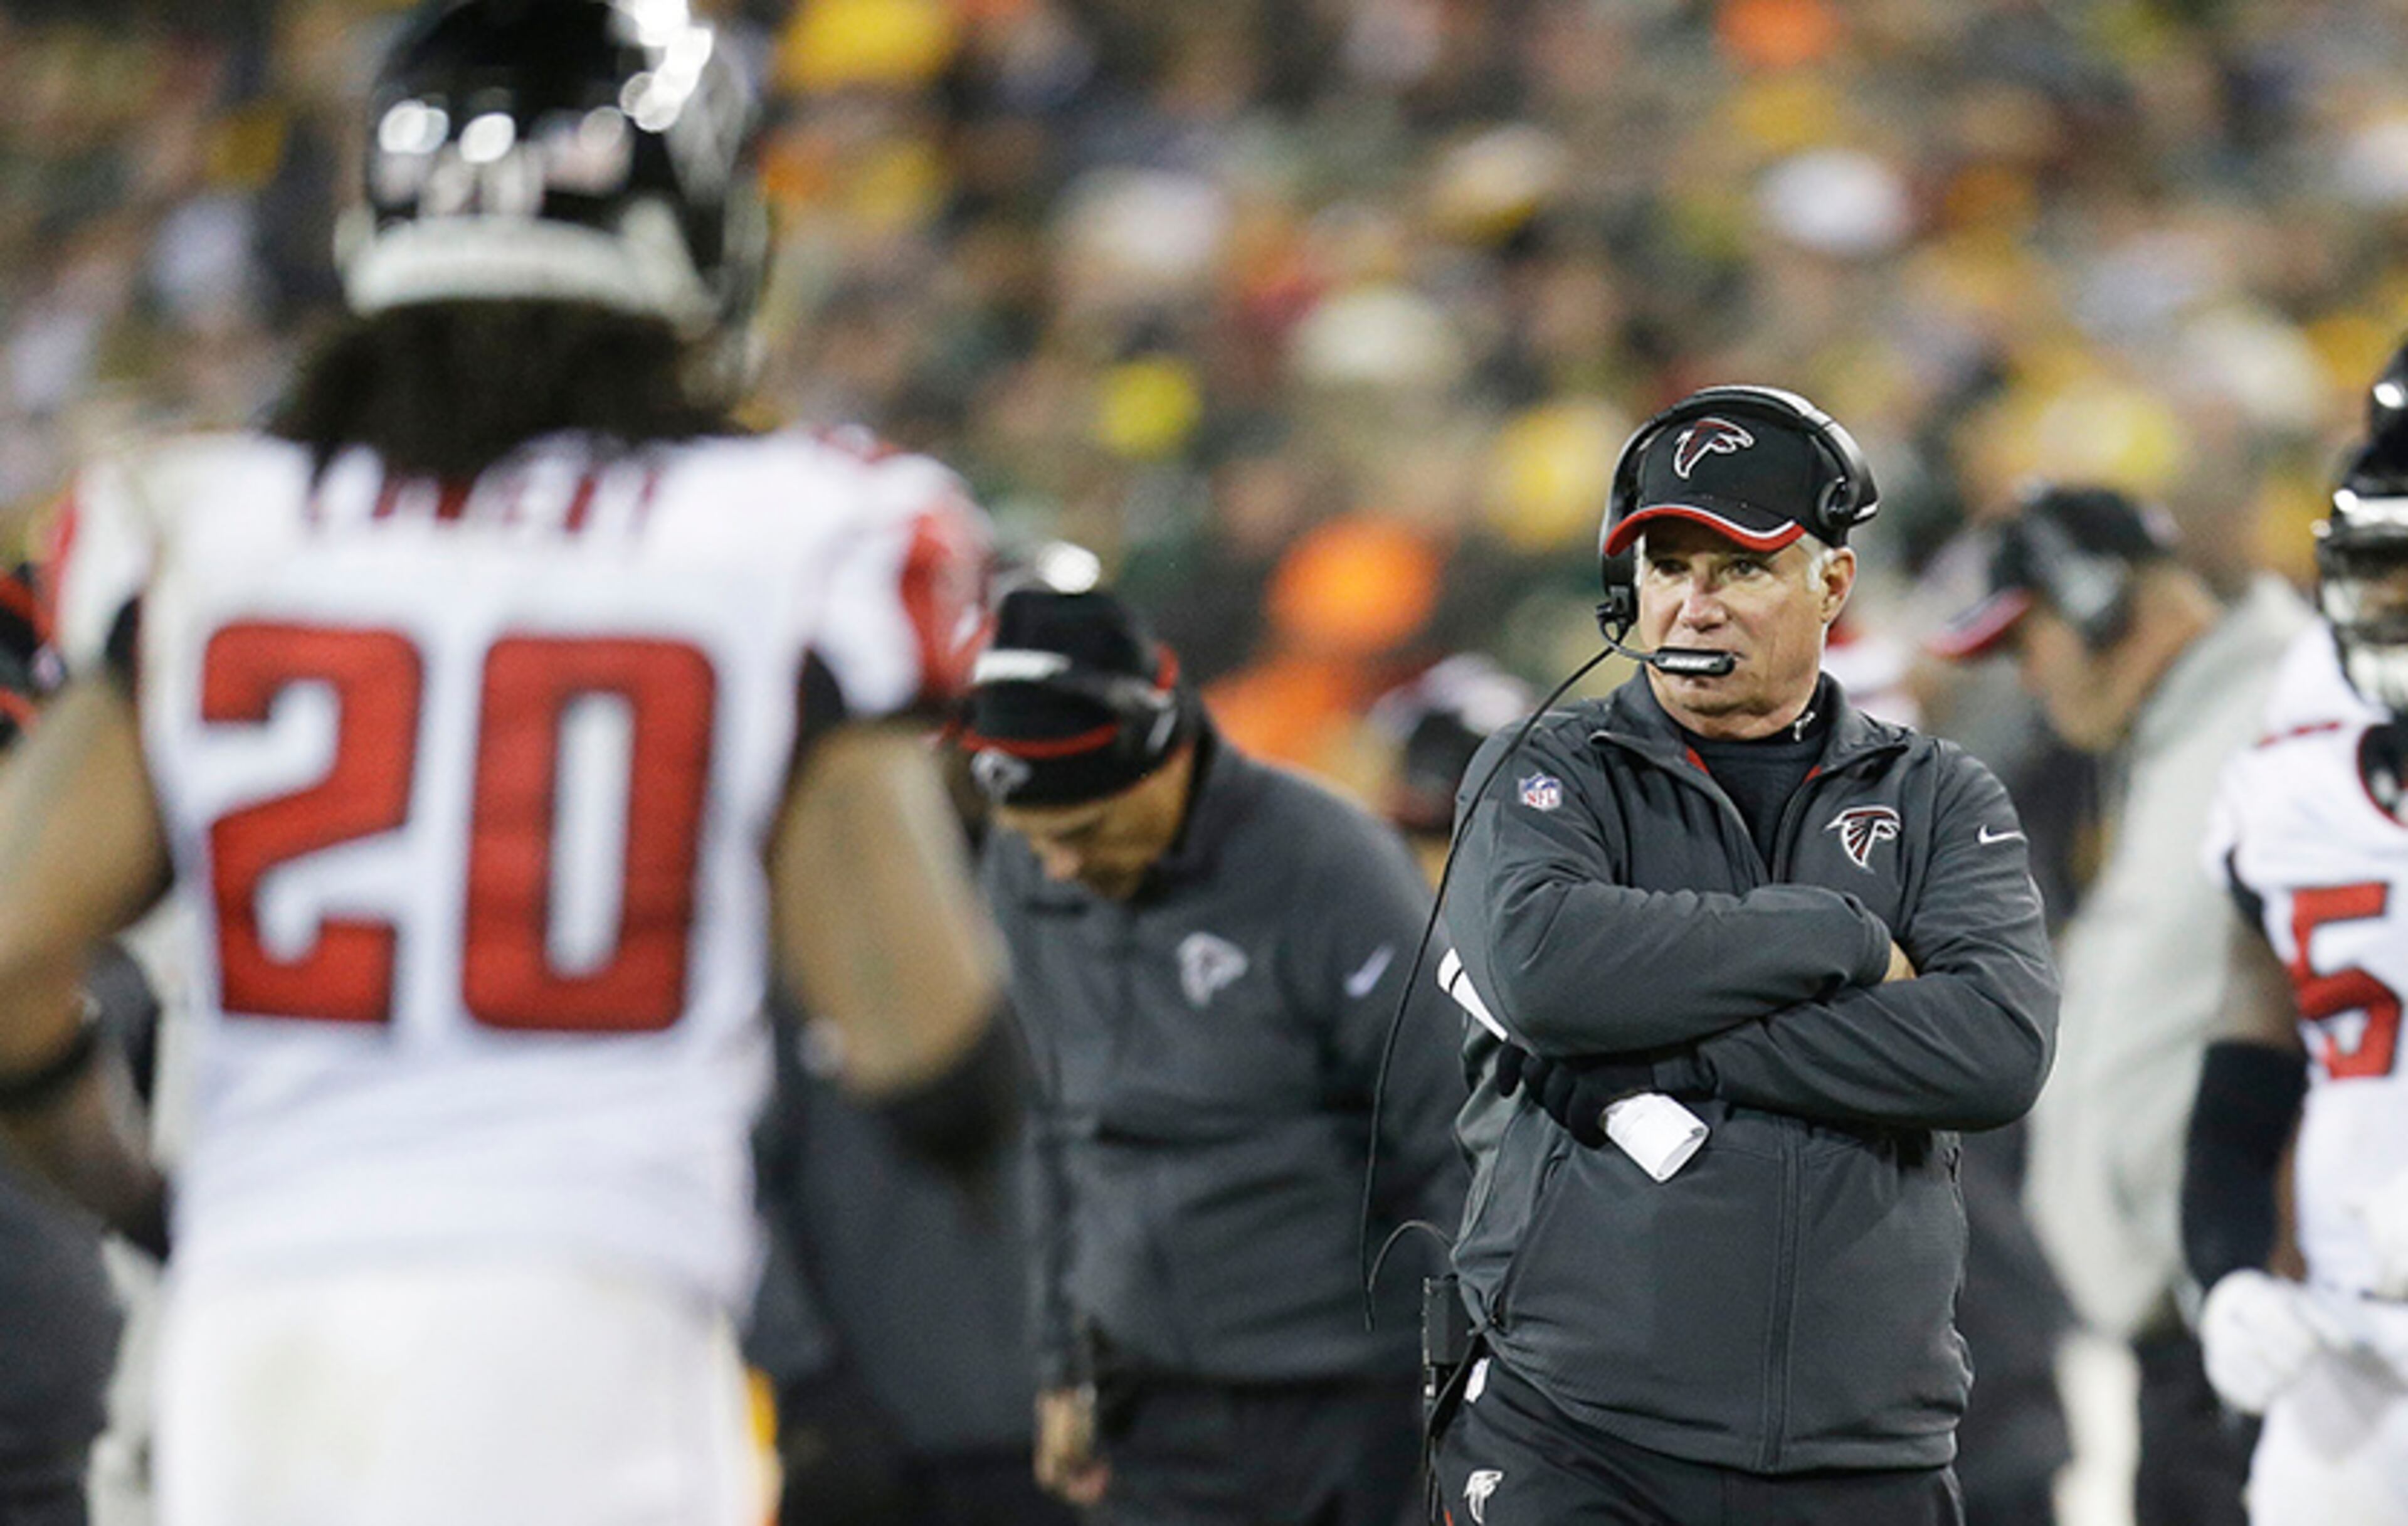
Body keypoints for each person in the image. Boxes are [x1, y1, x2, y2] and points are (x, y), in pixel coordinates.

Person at [0, 4, 1013, 1524]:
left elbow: (11, 950)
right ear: (696, 229)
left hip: (260, 1324)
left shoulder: (202, 527)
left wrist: (155, 1199)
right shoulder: (787, 534)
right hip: (583, 1310)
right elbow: (918, 1034)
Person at [1435, 384, 2058, 1524]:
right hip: (1581, 1434)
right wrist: (1841, 938)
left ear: (1833, 582)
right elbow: (1544, 971)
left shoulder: (1938, 794)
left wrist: (1665, 1049)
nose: (1692, 607)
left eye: (1740, 569)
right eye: (1667, 567)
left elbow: (1992, 1051)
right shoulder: (1546, 768)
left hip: (1861, 1447)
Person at [963, 586, 1467, 1526]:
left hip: (1349, 1406)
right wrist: (1058, 1360)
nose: (1061, 867)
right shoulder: (1023, 868)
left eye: (1083, 832)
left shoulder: (1326, 862)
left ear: (1164, 757)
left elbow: (1453, 1135)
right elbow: (1051, 1125)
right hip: (1150, 1411)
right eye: (1037, 842)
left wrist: (1464, 1391)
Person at [1930, 481, 2311, 1526]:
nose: (2025, 675)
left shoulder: (2289, 712)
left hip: (2262, 1327)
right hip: (2187, 1341)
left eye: (2029, 636)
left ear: (2098, 599)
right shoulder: (2183, 737)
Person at [2182, 401, 2408, 1523]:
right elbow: (2243, 1081)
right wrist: (2227, 1275)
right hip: (2348, 1351)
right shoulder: (2294, 798)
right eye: (2385, 572)